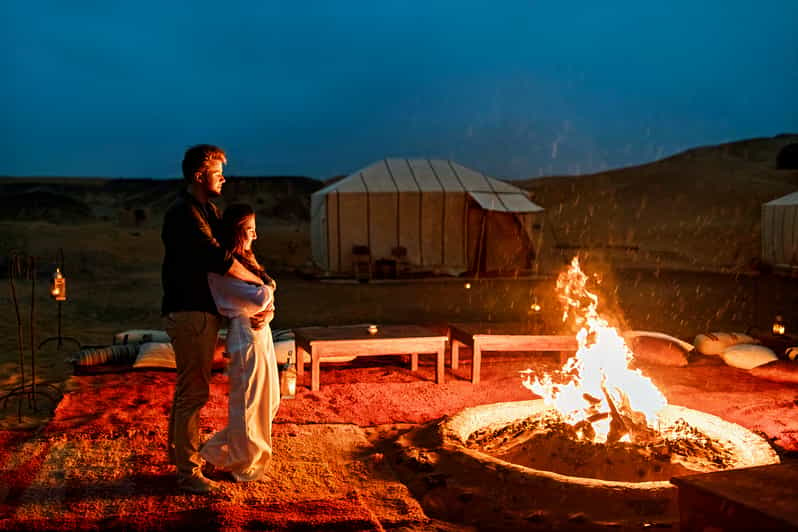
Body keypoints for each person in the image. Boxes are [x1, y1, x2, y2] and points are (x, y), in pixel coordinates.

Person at [161, 144, 266, 494]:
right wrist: (261, 285)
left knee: (188, 391)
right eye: (218, 172)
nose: (224, 177)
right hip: (190, 312)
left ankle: (179, 458)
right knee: (193, 393)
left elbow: (233, 247)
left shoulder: (207, 209)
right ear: (198, 176)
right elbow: (216, 257)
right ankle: (188, 472)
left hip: (199, 311)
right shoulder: (184, 214)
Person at [200, 204, 280, 482]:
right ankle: (242, 466)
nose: (255, 237)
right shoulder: (221, 271)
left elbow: (265, 297)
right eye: (250, 231)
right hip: (244, 334)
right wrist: (268, 293)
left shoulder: (245, 263)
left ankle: (213, 452)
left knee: (269, 402)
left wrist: (268, 303)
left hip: (261, 332)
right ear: (235, 234)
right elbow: (261, 297)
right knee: (249, 404)